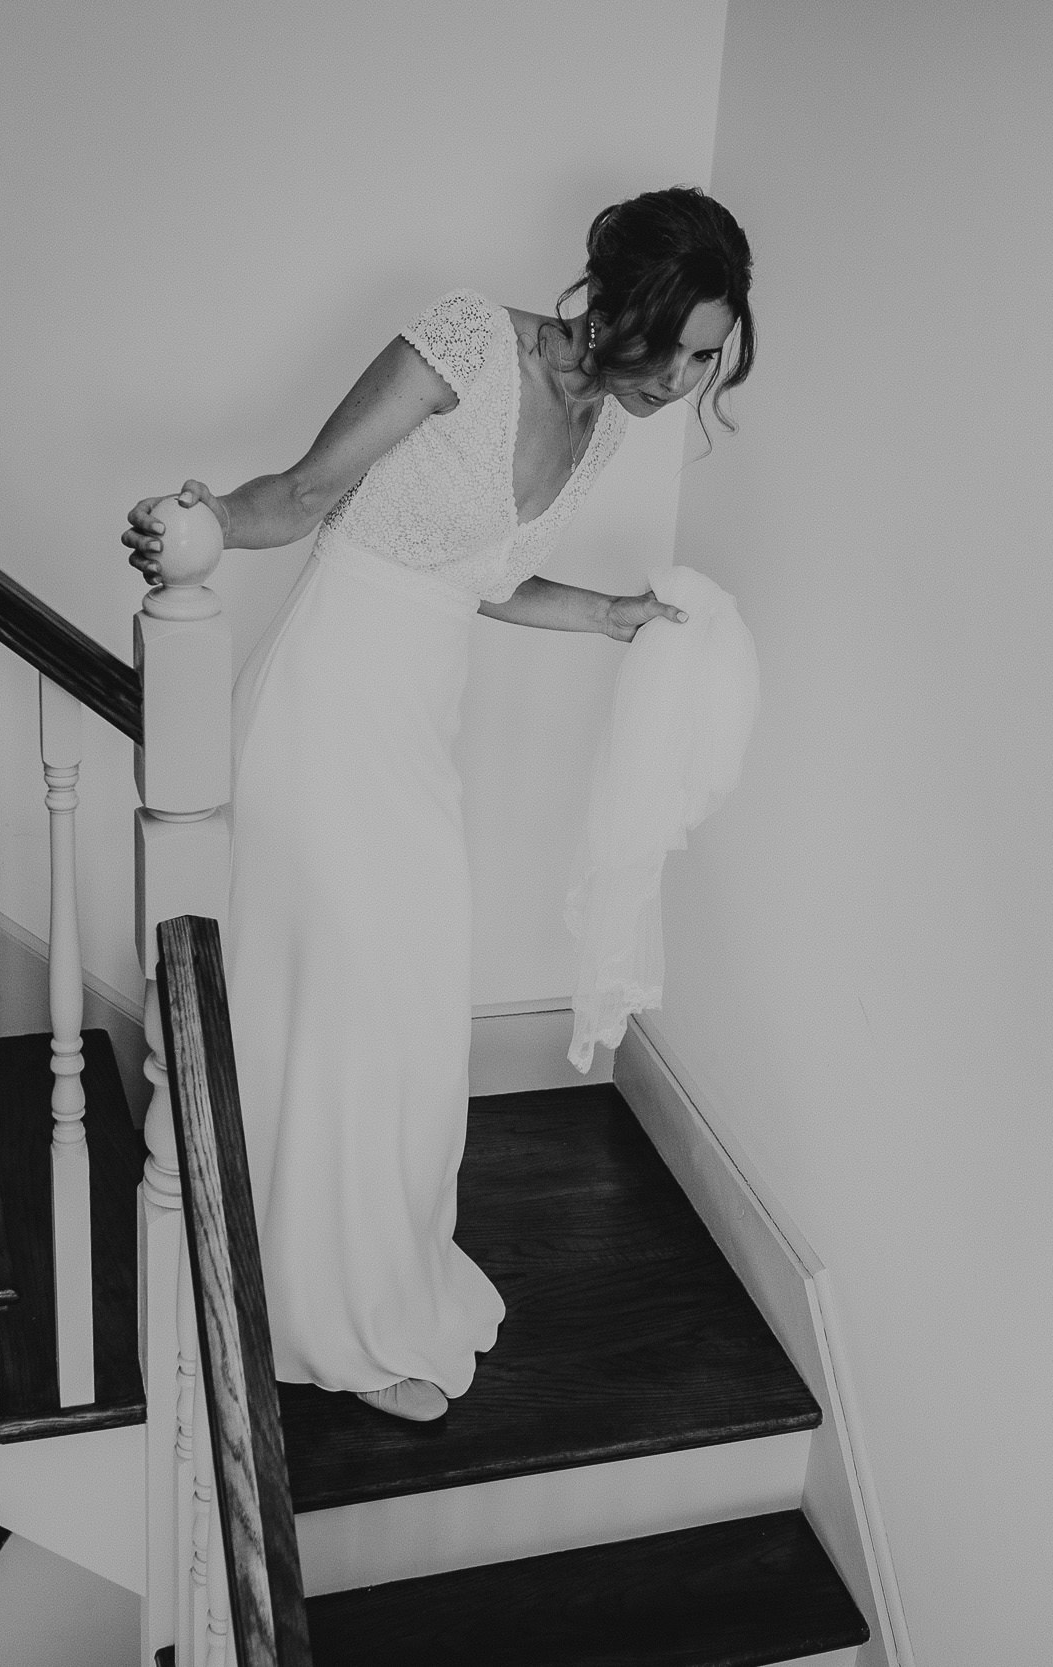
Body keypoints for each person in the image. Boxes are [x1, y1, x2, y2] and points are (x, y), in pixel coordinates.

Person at [122, 186, 755, 1422]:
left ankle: (369, 1272)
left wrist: (614, 616)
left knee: (406, 1008)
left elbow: (484, 580)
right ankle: (306, 1305)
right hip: (322, 710)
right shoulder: (470, 341)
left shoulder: (608, 427)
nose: (683, 380)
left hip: (417, 731)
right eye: (678, 345)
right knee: (340, 993)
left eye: (705, 358)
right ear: (619, 300)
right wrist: (194, 524)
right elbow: (302, 496)